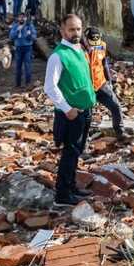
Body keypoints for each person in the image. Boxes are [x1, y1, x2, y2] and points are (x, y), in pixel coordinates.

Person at [43, 14, 96, 206]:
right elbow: (50, 86)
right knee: (70, 153)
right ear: (62, 30)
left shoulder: (80, 50)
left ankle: (71, 186)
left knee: (77, 151)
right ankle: (63, 195)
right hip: (71, 114)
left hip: (85, 111)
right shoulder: (58, 55)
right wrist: (66, 108)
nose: (76, 33)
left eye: (78, 29)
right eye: (71, 29)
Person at [83, 27, 124, 140]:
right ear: (85, 39)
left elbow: (104, 63)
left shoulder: (102, 45)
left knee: (115, 106)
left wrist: (109, 81)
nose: (94, 46)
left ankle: (120, 133)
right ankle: (83, 144)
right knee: (86, 116)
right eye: (91, 44)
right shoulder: (78, 50)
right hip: (86, 87)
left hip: (100, 83)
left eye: (96, 43)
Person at [9, 13, 36, 88]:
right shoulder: (15, 26)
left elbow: (34, 37)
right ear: (18, 18)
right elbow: (11, 37)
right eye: (20, 17)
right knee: (18, 66)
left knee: (27, 66)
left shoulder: (29, 26)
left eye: (23, 17)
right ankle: (17, 84)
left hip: (28, 48)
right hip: (18, 48)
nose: (21, 19)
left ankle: (28, 84)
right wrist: (17, 31)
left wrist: (29, 35)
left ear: (26, 18)